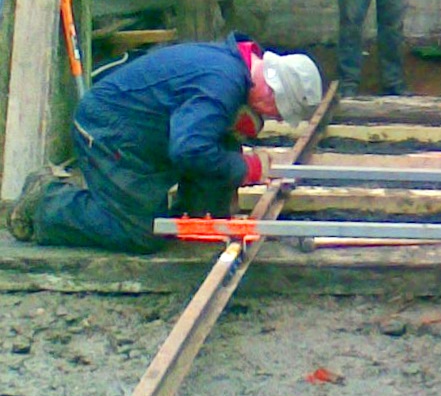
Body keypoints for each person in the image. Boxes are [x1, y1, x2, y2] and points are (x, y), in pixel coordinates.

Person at [5, 33, 323, 254]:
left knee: (220, 141)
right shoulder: (220, 84)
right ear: (271, 91)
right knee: (141, 233)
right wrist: (246, 169)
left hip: (139, 130)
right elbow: (188, 150)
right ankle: (46, 203)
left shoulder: (231, 69)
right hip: (108, 132)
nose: (274, 118)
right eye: (277, 111)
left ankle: (198, 213)